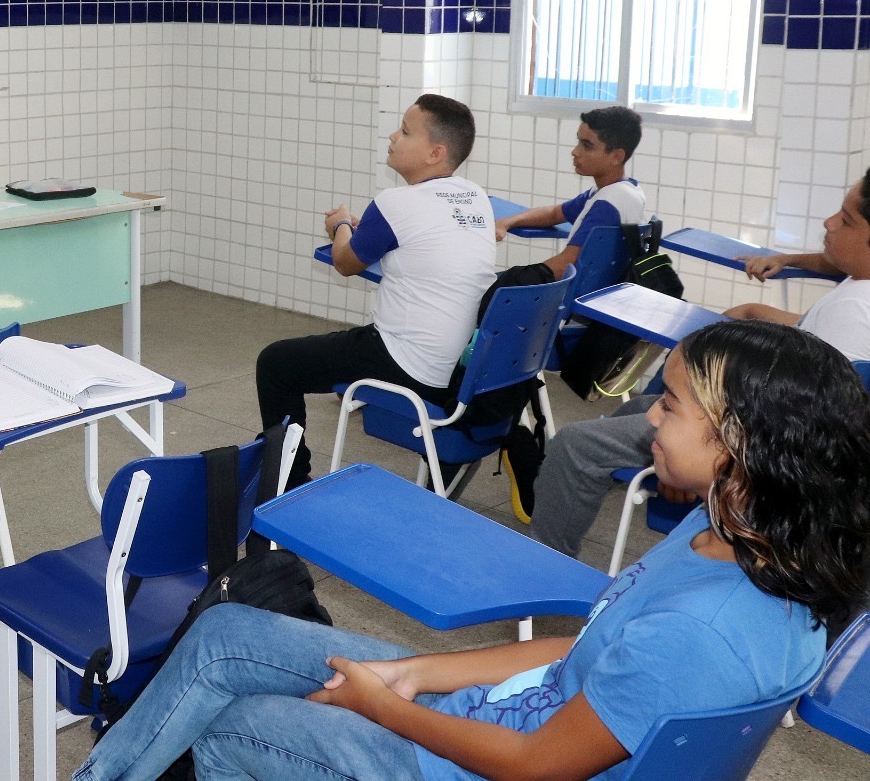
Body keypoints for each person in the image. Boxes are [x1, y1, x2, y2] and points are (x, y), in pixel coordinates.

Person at [75, 320, 870, 781]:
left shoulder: (709, 630)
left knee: (232, 729)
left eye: (670, 402)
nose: (649, 416)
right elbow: (597, 643)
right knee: (225, 634)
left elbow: (532, 767)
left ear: (744, 446)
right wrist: (413, 673)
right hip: (505, 713)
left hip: (480, 766)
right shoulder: (724, 543)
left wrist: (385, 704)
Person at [519, 173, 870, 551]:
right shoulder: (856, 288)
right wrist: (756, 307)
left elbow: (799, 424)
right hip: (744, 427)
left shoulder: (854, 309)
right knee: (641, 405)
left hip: (744, 441)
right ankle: (604, 478)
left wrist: (702, 457)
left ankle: (548, 558)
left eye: (846, 219)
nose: (829, 222)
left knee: (572, 444)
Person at [256, 94, 496, 486]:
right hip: (456, 366)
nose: (392, 136)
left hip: (405, 363)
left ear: (435, 152)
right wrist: (359, 227)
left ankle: (288, 481)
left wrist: (340, 226)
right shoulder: (475, 197)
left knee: (276, 363)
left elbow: (346, 262)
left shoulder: (396, 202)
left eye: (404, 131)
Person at [494, 106, 646, 277]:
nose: (575, 152)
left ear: (617, 157)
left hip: (574, 296)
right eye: (578, 142)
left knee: (492, 287)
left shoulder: (607, 203)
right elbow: (554, 213)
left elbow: (565, 265)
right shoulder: (626, 191)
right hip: (604, 293)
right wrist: (506, 222)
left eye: (587, 146)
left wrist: (511, 280)